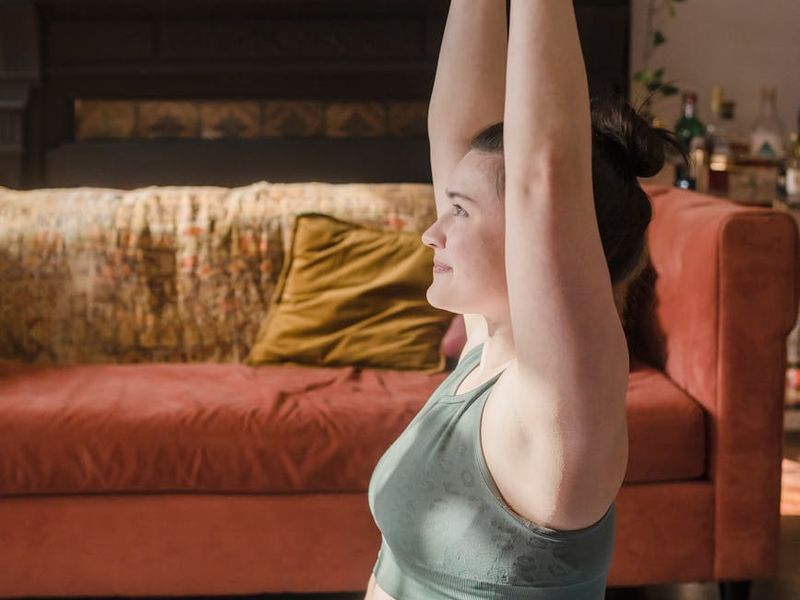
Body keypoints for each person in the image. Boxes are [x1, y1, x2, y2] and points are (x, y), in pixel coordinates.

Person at [365, 1, 687, 599]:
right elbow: (454, 131)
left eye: (459, 212)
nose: (431, 233)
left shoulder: (559, 406)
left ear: (538, 239)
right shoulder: (487, 353)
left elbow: (544, 171)